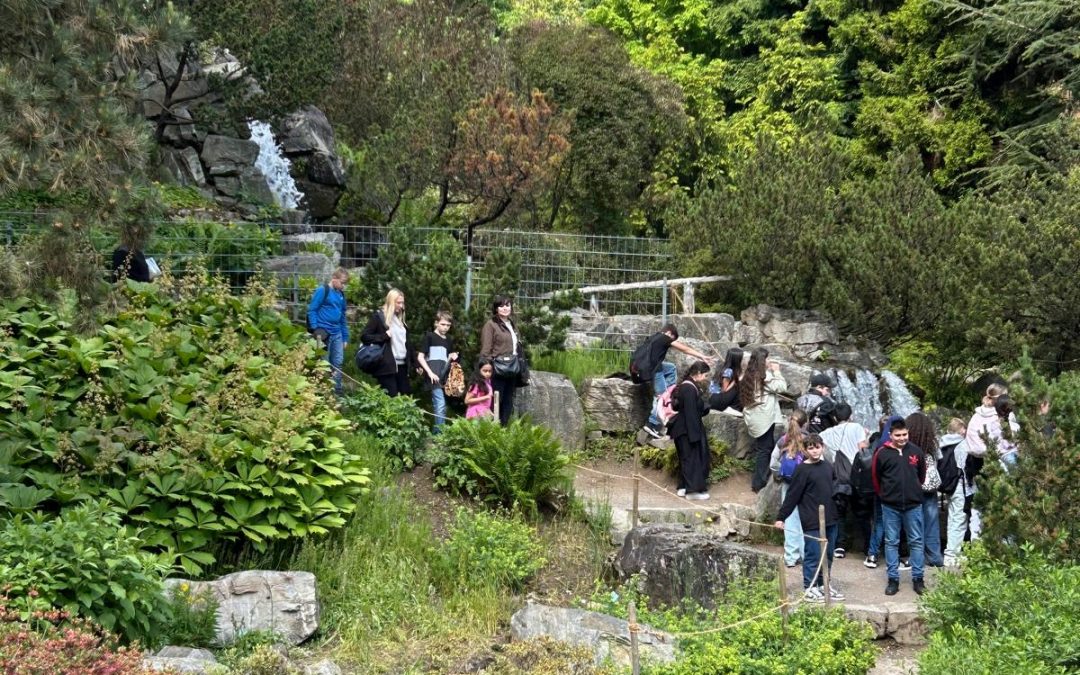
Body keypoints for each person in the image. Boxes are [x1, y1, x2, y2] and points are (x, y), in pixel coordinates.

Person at [775, 433, 844, 603]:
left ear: (823, 447)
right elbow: (792, 496)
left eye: (817, 447)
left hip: (830, 518)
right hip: (812, 519)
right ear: (805, 450)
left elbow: (834, 488)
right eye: (810, 448)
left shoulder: (827, 466)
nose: (814, 451)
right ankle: (809, 587)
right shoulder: (802, 470)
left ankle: (823, 584)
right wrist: (781, 517)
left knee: (828, 554)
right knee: (813, 554)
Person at [872, 418, 927, 596]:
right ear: (890, 435)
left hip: (913, 504)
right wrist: (886, 495)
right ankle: (893, 579)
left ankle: (918, 578)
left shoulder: (916, 452)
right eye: (898, 435)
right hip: (890, 505)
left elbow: (922, 476)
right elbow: (876, 478)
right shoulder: (882, 453)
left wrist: (913, 491)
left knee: (916, 541)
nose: (902, 438)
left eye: (904, 434)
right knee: (891, 542)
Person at [632, 324, 713, 438]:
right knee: (661, 396)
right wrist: (702, 356)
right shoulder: (664, 337)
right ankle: (652, 424)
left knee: (670, 368)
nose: (671, 342)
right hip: (653, 369)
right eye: (673, 339)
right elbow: (685, 349)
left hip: (641, 368)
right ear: (670, 333)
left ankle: (671, 391)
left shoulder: (653, 337)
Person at [820, 403, 869, 559]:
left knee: (840, 513)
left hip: (838, 477)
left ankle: (839, 546)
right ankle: (868, 546)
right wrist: (867, 437)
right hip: (856, 476)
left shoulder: (827, 433)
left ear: (835, 417)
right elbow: (863, 449)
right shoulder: (856, 427)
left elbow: (822, 449)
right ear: (851, 416)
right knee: (861, 512)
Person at [740, 347, 788, 492]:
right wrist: (777, 371)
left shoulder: (749, 373)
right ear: (762, 360)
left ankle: (760, 479)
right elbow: (782, 387)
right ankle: (759, 483)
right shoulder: (764, 376)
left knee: (763, 447)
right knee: (764, 449)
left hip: (755, 416)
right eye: (767, 358)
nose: (769, 361)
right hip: (764, 418)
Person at [668, 361, 712, 500]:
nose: (706, 378)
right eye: (705, 375)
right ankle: (693, 491)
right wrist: (695, 436)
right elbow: (691, 413)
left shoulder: (687, 386)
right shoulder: (688, 388)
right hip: (687, 430)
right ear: (698, 374)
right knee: (692, 459)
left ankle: (683, 486)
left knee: (686, 459)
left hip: (683, 429)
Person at [770, 410, 808, 568]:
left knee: (790, 519)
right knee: (807, 519)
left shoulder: (783, 440)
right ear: (806, 423)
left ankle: (791, 556)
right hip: (806, 486)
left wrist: (780, 474)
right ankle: (807, 555)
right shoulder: (810, 440)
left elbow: (773, 463)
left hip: (788, 484)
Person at [906, 412, 944, 567]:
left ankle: (917, 557)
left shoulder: (908, 446)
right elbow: (938, 461)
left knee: (914, 523)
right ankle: (935, 557)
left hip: (913, 488)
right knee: (932, 522)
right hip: (930, 488)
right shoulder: (933, 445)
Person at [361, 288, 414, 397]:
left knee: (406, 397)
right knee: (392, 398)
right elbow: (365, 337)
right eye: (398, 302)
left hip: (403, 366)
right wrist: (384, 336)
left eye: (402, 302)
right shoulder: (379, 317)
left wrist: (415, 362)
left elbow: (407, 344)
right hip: (386, 366)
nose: (401, 305)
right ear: (391, 301)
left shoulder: (400, 320)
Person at [306, 268, 350, 395]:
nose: (344, 286)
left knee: (338, 363)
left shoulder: (341, 294)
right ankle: (322, 392)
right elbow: (312, 310)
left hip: (337, 334)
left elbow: (342, 317)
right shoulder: (322, 290)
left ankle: (337, 391)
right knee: (323, 363)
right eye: (342, 283)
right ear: (334, 278)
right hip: (323, 333)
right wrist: (315, 329)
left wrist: (345, 337)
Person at [479, 296, 523, 425]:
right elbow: (486, 348)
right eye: (501, 306)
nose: (505, 308)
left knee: (508, 400)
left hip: (512, 367)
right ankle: (493, 429)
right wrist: (486, 368)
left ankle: (503, 429)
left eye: (508, 305)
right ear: (496, 309)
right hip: (497, 368)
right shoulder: (491, 324)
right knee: (496, 399)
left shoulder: (512, 324)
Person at [417, 310, 459, 432]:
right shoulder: (429, 336)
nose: (445, 327)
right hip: (432, 376)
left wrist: (453, 357)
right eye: (443, 324)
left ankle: (438, 432)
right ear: (436, 323)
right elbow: (420, 357)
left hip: (443, 376)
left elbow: (448, 358)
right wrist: (429, 373)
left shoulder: (449, 340)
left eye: (448, 325)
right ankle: (439, 434)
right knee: (440, 404)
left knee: (440, 405)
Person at [939, 418, 968, 567]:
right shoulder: (962, 445)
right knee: (959, 519)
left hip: (949, 485)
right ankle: (952, 554)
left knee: (953, 518)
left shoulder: (942, 444)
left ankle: (951, 551)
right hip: (960, 485)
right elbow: (964, 467)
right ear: (960, 429)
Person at [708, 347, 744, 414]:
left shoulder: (722, 366)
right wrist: (736, 381)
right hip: (717, 400)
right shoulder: (729, 371)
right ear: (737, 360)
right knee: (740, 383)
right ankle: (734, 408)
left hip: (713, 398)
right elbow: (724, 390)